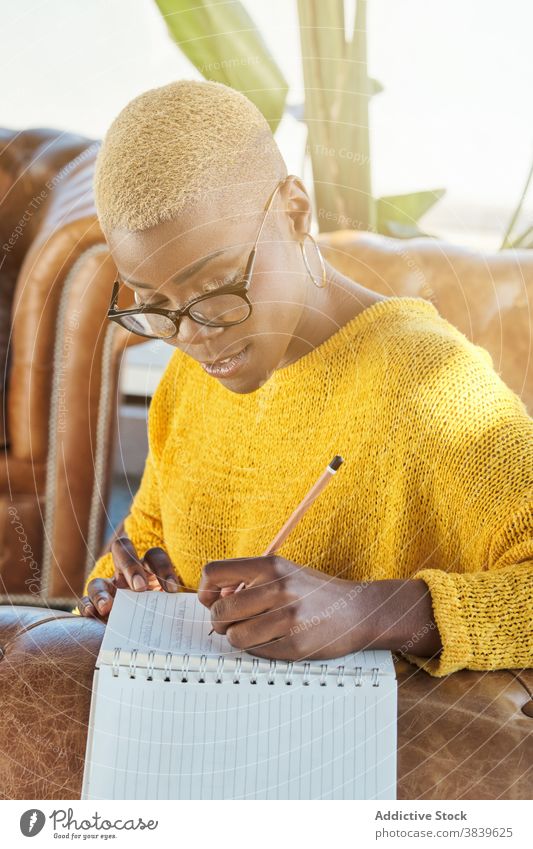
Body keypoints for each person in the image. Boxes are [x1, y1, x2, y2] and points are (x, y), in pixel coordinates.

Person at [75, 79, 533, 678]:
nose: (192, 336)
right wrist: (131, 593)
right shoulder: (190, 382)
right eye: (157, 305)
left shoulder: (428, 385)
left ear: (294, 212)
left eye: (214, 287)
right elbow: (151, 531)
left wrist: (373, 611)